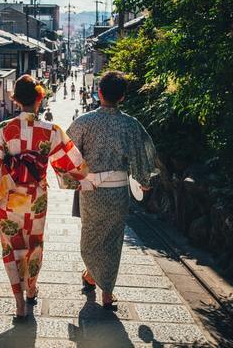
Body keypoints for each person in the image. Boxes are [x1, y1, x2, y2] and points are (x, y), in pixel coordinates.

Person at [0, 75, 88, 322]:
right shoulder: (51, 131)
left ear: (16, 100)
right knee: (34, 244)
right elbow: (71, 162)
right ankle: (31, 288)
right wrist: (85, 179)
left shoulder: (3, 130)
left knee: (11, 244)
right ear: (39, 98)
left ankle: (19, 301)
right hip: (37, 196)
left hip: (10, 197)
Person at [67, 71, 157, 309]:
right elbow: (145, 151)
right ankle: (105, 290)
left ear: (99, 93)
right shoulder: (130, 124)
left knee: (91, 235)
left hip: (91, 190)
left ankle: (93, 277)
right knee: (113, 240)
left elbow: (66, 152)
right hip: (118, 192)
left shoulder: (83, 122)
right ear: (123, 98)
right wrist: (143, 178)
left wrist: (72, 179)